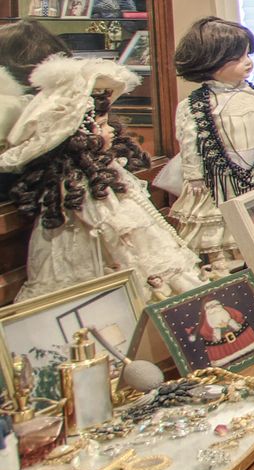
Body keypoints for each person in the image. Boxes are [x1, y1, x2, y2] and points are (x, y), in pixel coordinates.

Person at [0, 53, 204, 301]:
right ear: (82, 133)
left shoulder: (106, 169)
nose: (110, 131)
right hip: (101, 252)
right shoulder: (78, 185)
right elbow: (104, 225)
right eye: (103, 124)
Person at [165, 17, 254, 271]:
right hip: (220, 180)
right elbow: (190, 142)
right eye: (237, 57)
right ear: (210, 62)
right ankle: (225, 269)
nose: (247, 62)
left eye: (247, 54)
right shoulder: (196, 106)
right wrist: (194, 175)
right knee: (222, 226)